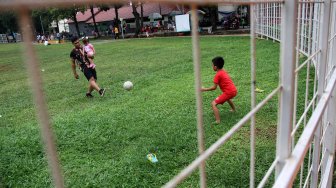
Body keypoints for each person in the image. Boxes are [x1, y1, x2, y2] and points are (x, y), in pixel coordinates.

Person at [201, 57, 237, 124]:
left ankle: (218, 121)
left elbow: (214, 88)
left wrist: (204, 89)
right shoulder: (223, 70)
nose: (212, 67)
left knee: (213, 104)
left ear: (215, 67)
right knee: (227, 98)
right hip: (234, 90)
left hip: (229, 92)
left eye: (212, 65)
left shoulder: (217, 75)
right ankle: (233, 109)